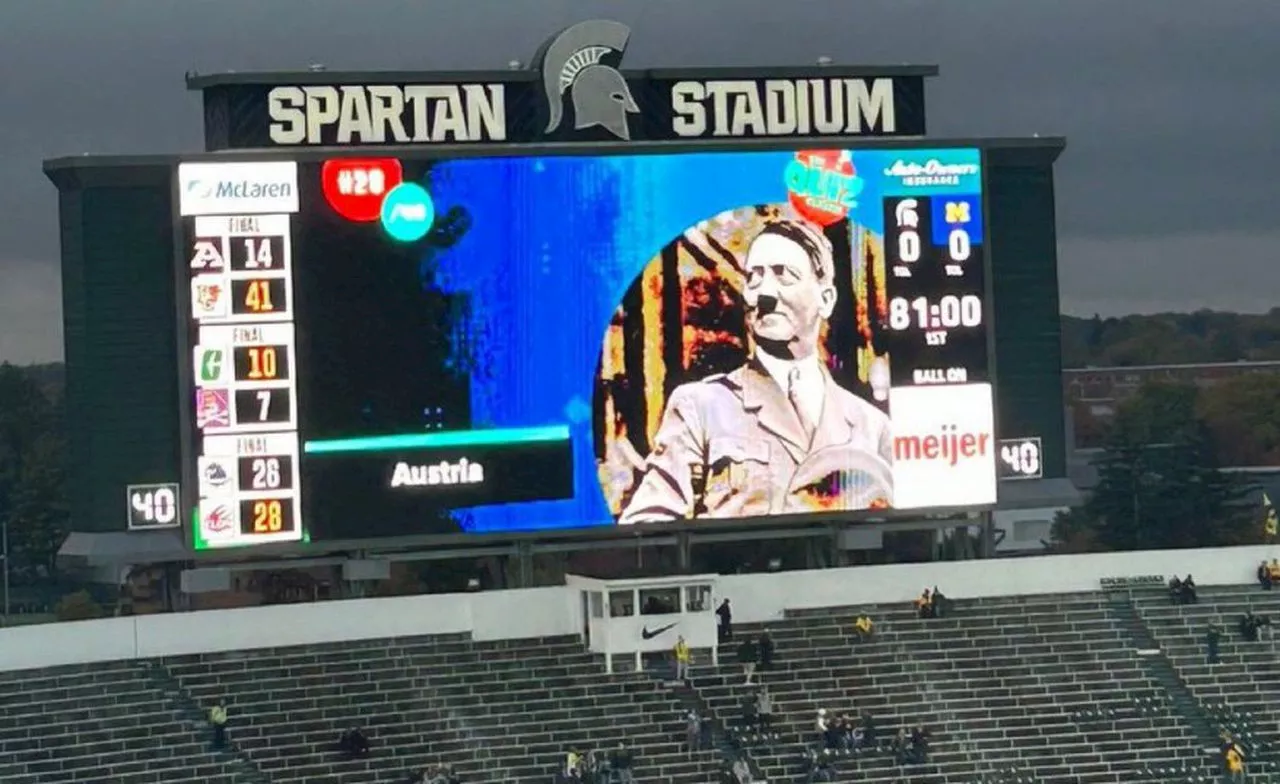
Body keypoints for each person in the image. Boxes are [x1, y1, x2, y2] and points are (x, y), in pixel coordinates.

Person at [618, 218, 894, 524]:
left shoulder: (871, 425)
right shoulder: (700, 407)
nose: (764, 294)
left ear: (826, 300)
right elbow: (645, 526)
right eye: (753, 278)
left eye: (783, 276)